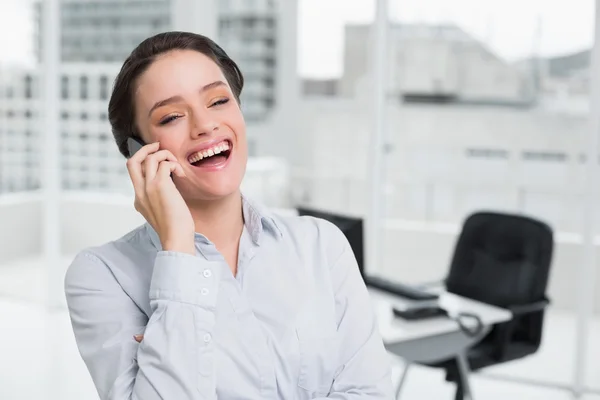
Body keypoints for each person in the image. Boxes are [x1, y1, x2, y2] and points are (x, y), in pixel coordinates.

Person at [64, 31, 394, 400]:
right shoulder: (102, 276)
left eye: (219, 100)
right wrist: (177, 248)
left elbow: (369, 393)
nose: (205, 125)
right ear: (140, 152)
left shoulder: (320, 244)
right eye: (171, 116)